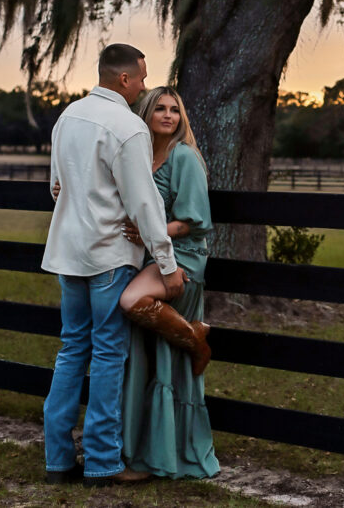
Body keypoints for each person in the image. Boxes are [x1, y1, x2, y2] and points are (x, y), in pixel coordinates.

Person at [41, 44, 187, 487]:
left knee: (71, 350)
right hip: (107, 256)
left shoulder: (68, 116)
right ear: (124, 79)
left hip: (69, 254)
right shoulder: (127, 126)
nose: (144, 84)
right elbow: (145, 204)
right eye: (142, 77)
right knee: (107, 355)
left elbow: (55, 187)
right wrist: (167, 265)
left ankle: (58, 460)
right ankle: (104, 463)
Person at [117, 86, 220, 479]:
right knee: (149, 360)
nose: (167, 115)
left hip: (182, 260)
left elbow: (192, 221)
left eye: (174, 110)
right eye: (159, 108)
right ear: (145, 114)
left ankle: (195, 339)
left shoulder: (184, 156)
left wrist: (153, 234)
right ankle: (147, 457)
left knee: (131, 301)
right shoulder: (142, 157)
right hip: (148, 258)